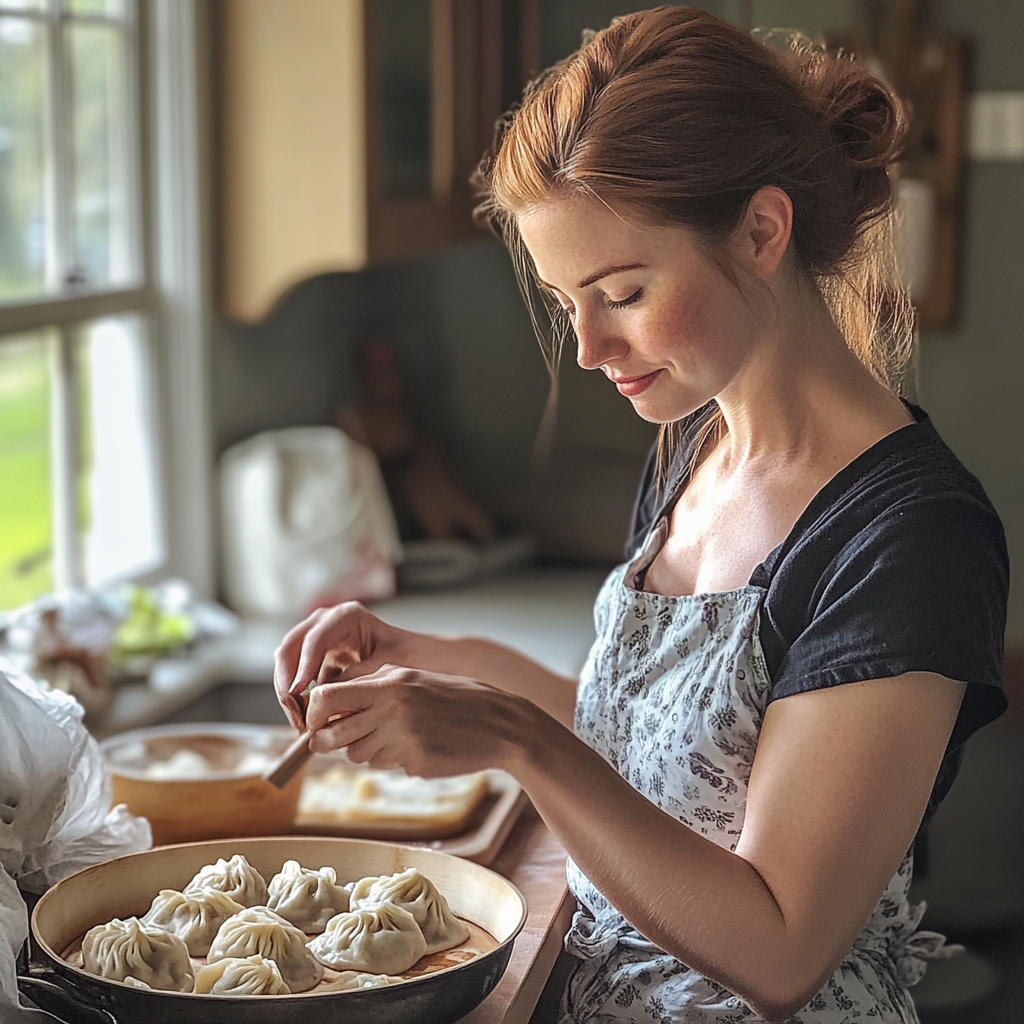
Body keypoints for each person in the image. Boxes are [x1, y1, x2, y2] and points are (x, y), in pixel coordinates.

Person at [273, 8, 1008, 1022]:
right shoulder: (695, 445)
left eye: (621, 290)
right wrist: (420, 650)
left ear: (760, 230)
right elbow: (650, 751)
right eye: (565, 298)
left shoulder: (909, 540)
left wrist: (514, 737)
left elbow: (780, 943)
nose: (586, 347)